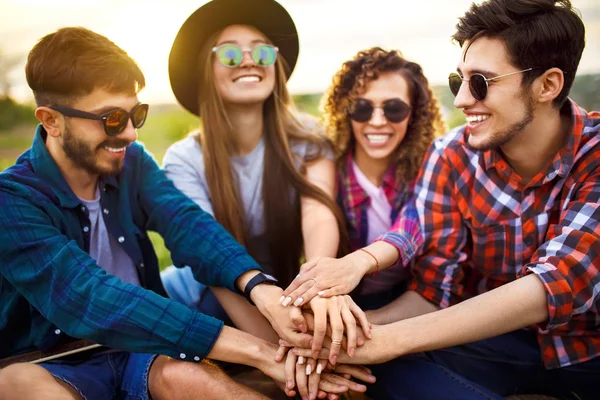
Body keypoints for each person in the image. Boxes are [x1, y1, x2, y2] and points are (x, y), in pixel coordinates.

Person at [0, 26, 372, 400]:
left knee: (197, 381)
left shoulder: (132, 164)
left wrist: (260, 287)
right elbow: (91, 297)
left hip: (142, 349)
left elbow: (189, 227)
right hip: (52, 361)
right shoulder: (12, 201)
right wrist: (259, 352)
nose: (130, 134)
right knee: (14, 386)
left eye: (137, 115)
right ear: (51, 120)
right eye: (111, 119)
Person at [290, 0, 600, 398]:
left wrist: (389, 341)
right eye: (459, 81)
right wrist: (342, 338)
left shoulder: (593, 155)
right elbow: (435, 291)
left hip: (588, 350)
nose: (461, 100)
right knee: (384, 372)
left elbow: (557, 282)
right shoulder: (451, 155)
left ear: (548, 85)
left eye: (481, 83)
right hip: (492, 346)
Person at [281, 47, 444, 312]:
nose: (377, 121)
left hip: (406, 301)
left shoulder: (430, 166)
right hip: (334, 297)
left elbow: (411, 228)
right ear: (345, 110)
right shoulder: (327, 165)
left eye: (394, 108)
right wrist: (321, 284)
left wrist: (358, 268)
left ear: (414, 114)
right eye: (362, 108)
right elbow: (317, 219)